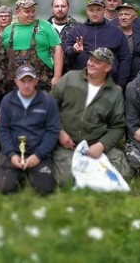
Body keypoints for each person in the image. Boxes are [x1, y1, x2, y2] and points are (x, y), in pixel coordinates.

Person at [51, 48, 132, 186]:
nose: (91, 64)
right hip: (67, 143)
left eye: (98, 62)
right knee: (67, 180)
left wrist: (101, 145)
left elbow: (117, 127)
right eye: (91, 60)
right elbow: (49, 106)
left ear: (108, 68)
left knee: (124, 174)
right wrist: (60, 131)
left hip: (95, 143)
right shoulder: (70, 77)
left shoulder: (114, 93)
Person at [0, 64, 60, 195]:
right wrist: (12, 155)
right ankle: (18, 176)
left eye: (30, 80)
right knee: (2, 188)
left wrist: (38, 155)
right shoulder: (7, 101)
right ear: (16, 82)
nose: (26, 85)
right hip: (13, 152)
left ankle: (31, 176)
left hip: (38, 152)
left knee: (46, 190)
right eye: (23, 81)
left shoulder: (48, 101)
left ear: (36, 81)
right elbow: (3, 130)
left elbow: (52, 131)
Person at [63, 0, 131, 88]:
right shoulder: (77, 31)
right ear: (87, 11)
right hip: (81, 83)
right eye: (91, 10)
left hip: (108, 84)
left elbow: (125, 59)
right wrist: (74, 50)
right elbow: (66, 51)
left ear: (105, 11)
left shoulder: (116, 32)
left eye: (98, 10)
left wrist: (120, 85)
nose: (95, 14)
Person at [2, 0, 63, 91]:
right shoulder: (8, 30)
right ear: (17, 12)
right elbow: (2, 57)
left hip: (42, 82)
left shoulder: (45, 26)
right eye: (27, 11)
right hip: (13, 85)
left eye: (33, 11)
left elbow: (58, 51)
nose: (31, 14)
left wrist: (57, 76)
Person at [117, 2, 140, 81]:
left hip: (137, 77)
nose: (123, 17)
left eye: (127, 14)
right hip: (117, 76)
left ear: (135, 17)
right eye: (120, 15)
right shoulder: (112, 33)